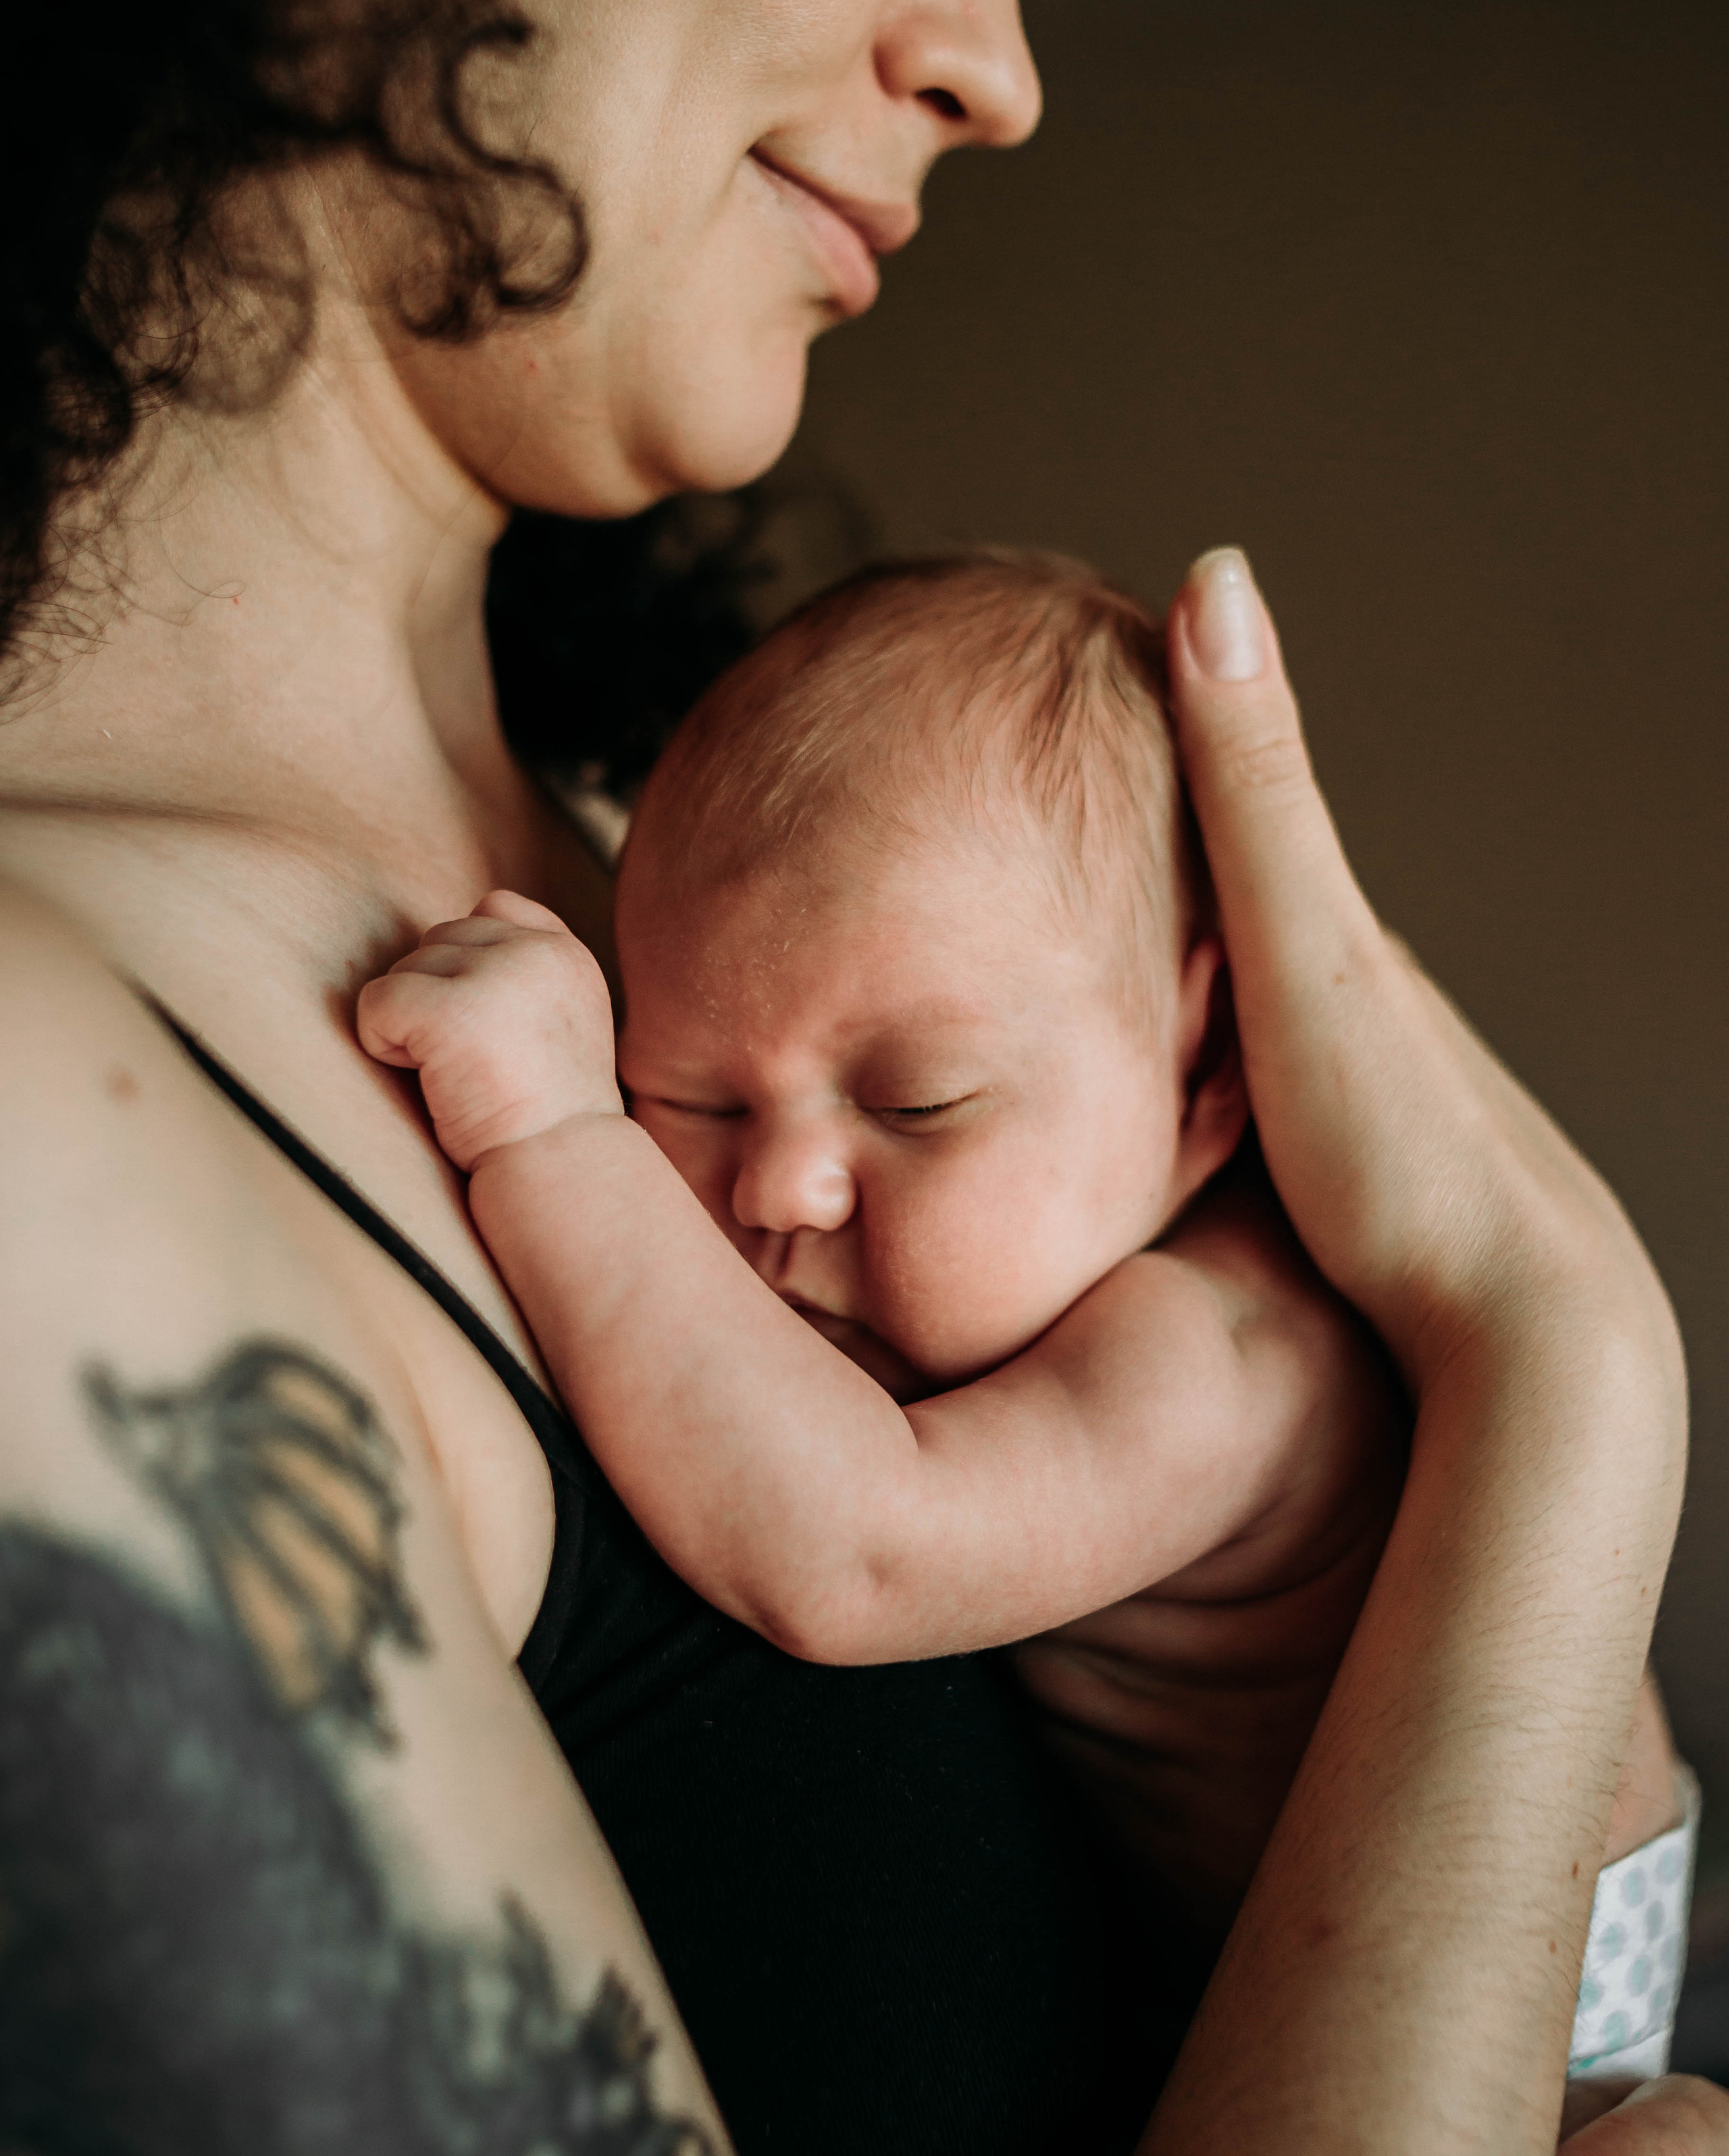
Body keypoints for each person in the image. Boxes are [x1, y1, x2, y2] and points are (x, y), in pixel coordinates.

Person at [0, 0, 1721, 2156]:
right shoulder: (56, 1117)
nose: (1003, 60)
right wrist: (1565, 1391)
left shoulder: (756, 888)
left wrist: (1519, 2133)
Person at [355, 550, 1407, 1697]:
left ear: (1201, 1066)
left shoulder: (1221, 1360)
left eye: (919, 1103)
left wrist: (555, 1134)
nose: (778, 1189)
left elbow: (854, 1557)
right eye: (687, 1095)